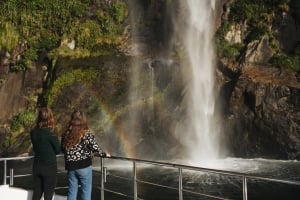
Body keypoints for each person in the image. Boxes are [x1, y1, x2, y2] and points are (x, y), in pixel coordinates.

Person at [61, 110, 109, 200]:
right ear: (83, 120)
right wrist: (104, 154)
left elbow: (62, 148)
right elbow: (94, 147)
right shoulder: (86, 133)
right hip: (84, 166)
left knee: (71, 192)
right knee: (85, 192)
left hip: (71, 167)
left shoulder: (66, 133)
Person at [30, 107, 61, 200]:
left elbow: (36, 148)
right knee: (48, 195)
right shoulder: (51, 133)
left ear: (39, 117)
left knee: (37, 193)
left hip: (37, 165)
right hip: (49, 167)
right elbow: (57, 150)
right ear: (50, 117)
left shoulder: (33, 132)